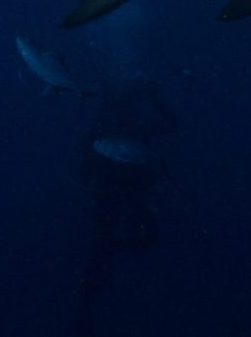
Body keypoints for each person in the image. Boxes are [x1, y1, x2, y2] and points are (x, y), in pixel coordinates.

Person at [71, 70, 177, 337]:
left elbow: (169, 125)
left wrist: (155, 98)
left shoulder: (131, 119)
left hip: (125, 194)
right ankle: (85, 309)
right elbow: (168, 124)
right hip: (116, 194)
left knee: (122, 244)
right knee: (116, 246)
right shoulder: (111, 121)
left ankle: (88, 303)